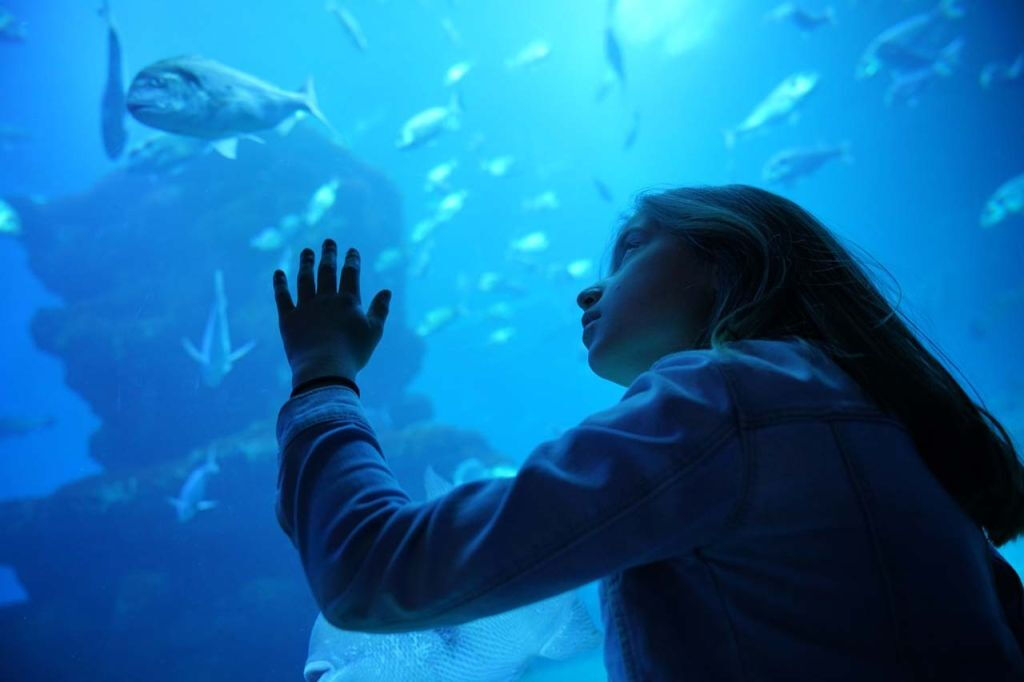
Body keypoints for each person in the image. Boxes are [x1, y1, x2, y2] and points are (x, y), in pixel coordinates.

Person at [271, 184, 1024, 680]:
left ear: (733, 260)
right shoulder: (900, 434)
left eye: (631, 249)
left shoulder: (720, 402)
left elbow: (375, 572)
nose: (588, 286)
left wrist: (322, 379)